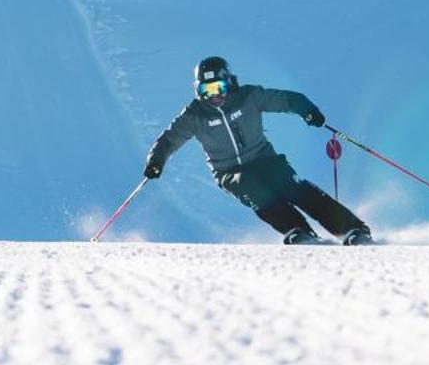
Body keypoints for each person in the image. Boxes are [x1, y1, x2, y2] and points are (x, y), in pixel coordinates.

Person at [145, 55, 373, 245]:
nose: (214, 95)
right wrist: (156, 162)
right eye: (207, 90)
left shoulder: (249, 97)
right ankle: (298, 231)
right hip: (228, 171)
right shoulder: (195, 115)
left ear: (229, 82)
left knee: (291, 186)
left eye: (219, 87)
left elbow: (286, 99)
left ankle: (352, 229)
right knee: (253, 189)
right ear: (198, 90)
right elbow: (168, 140)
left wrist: (307, 110)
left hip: (264, 159)